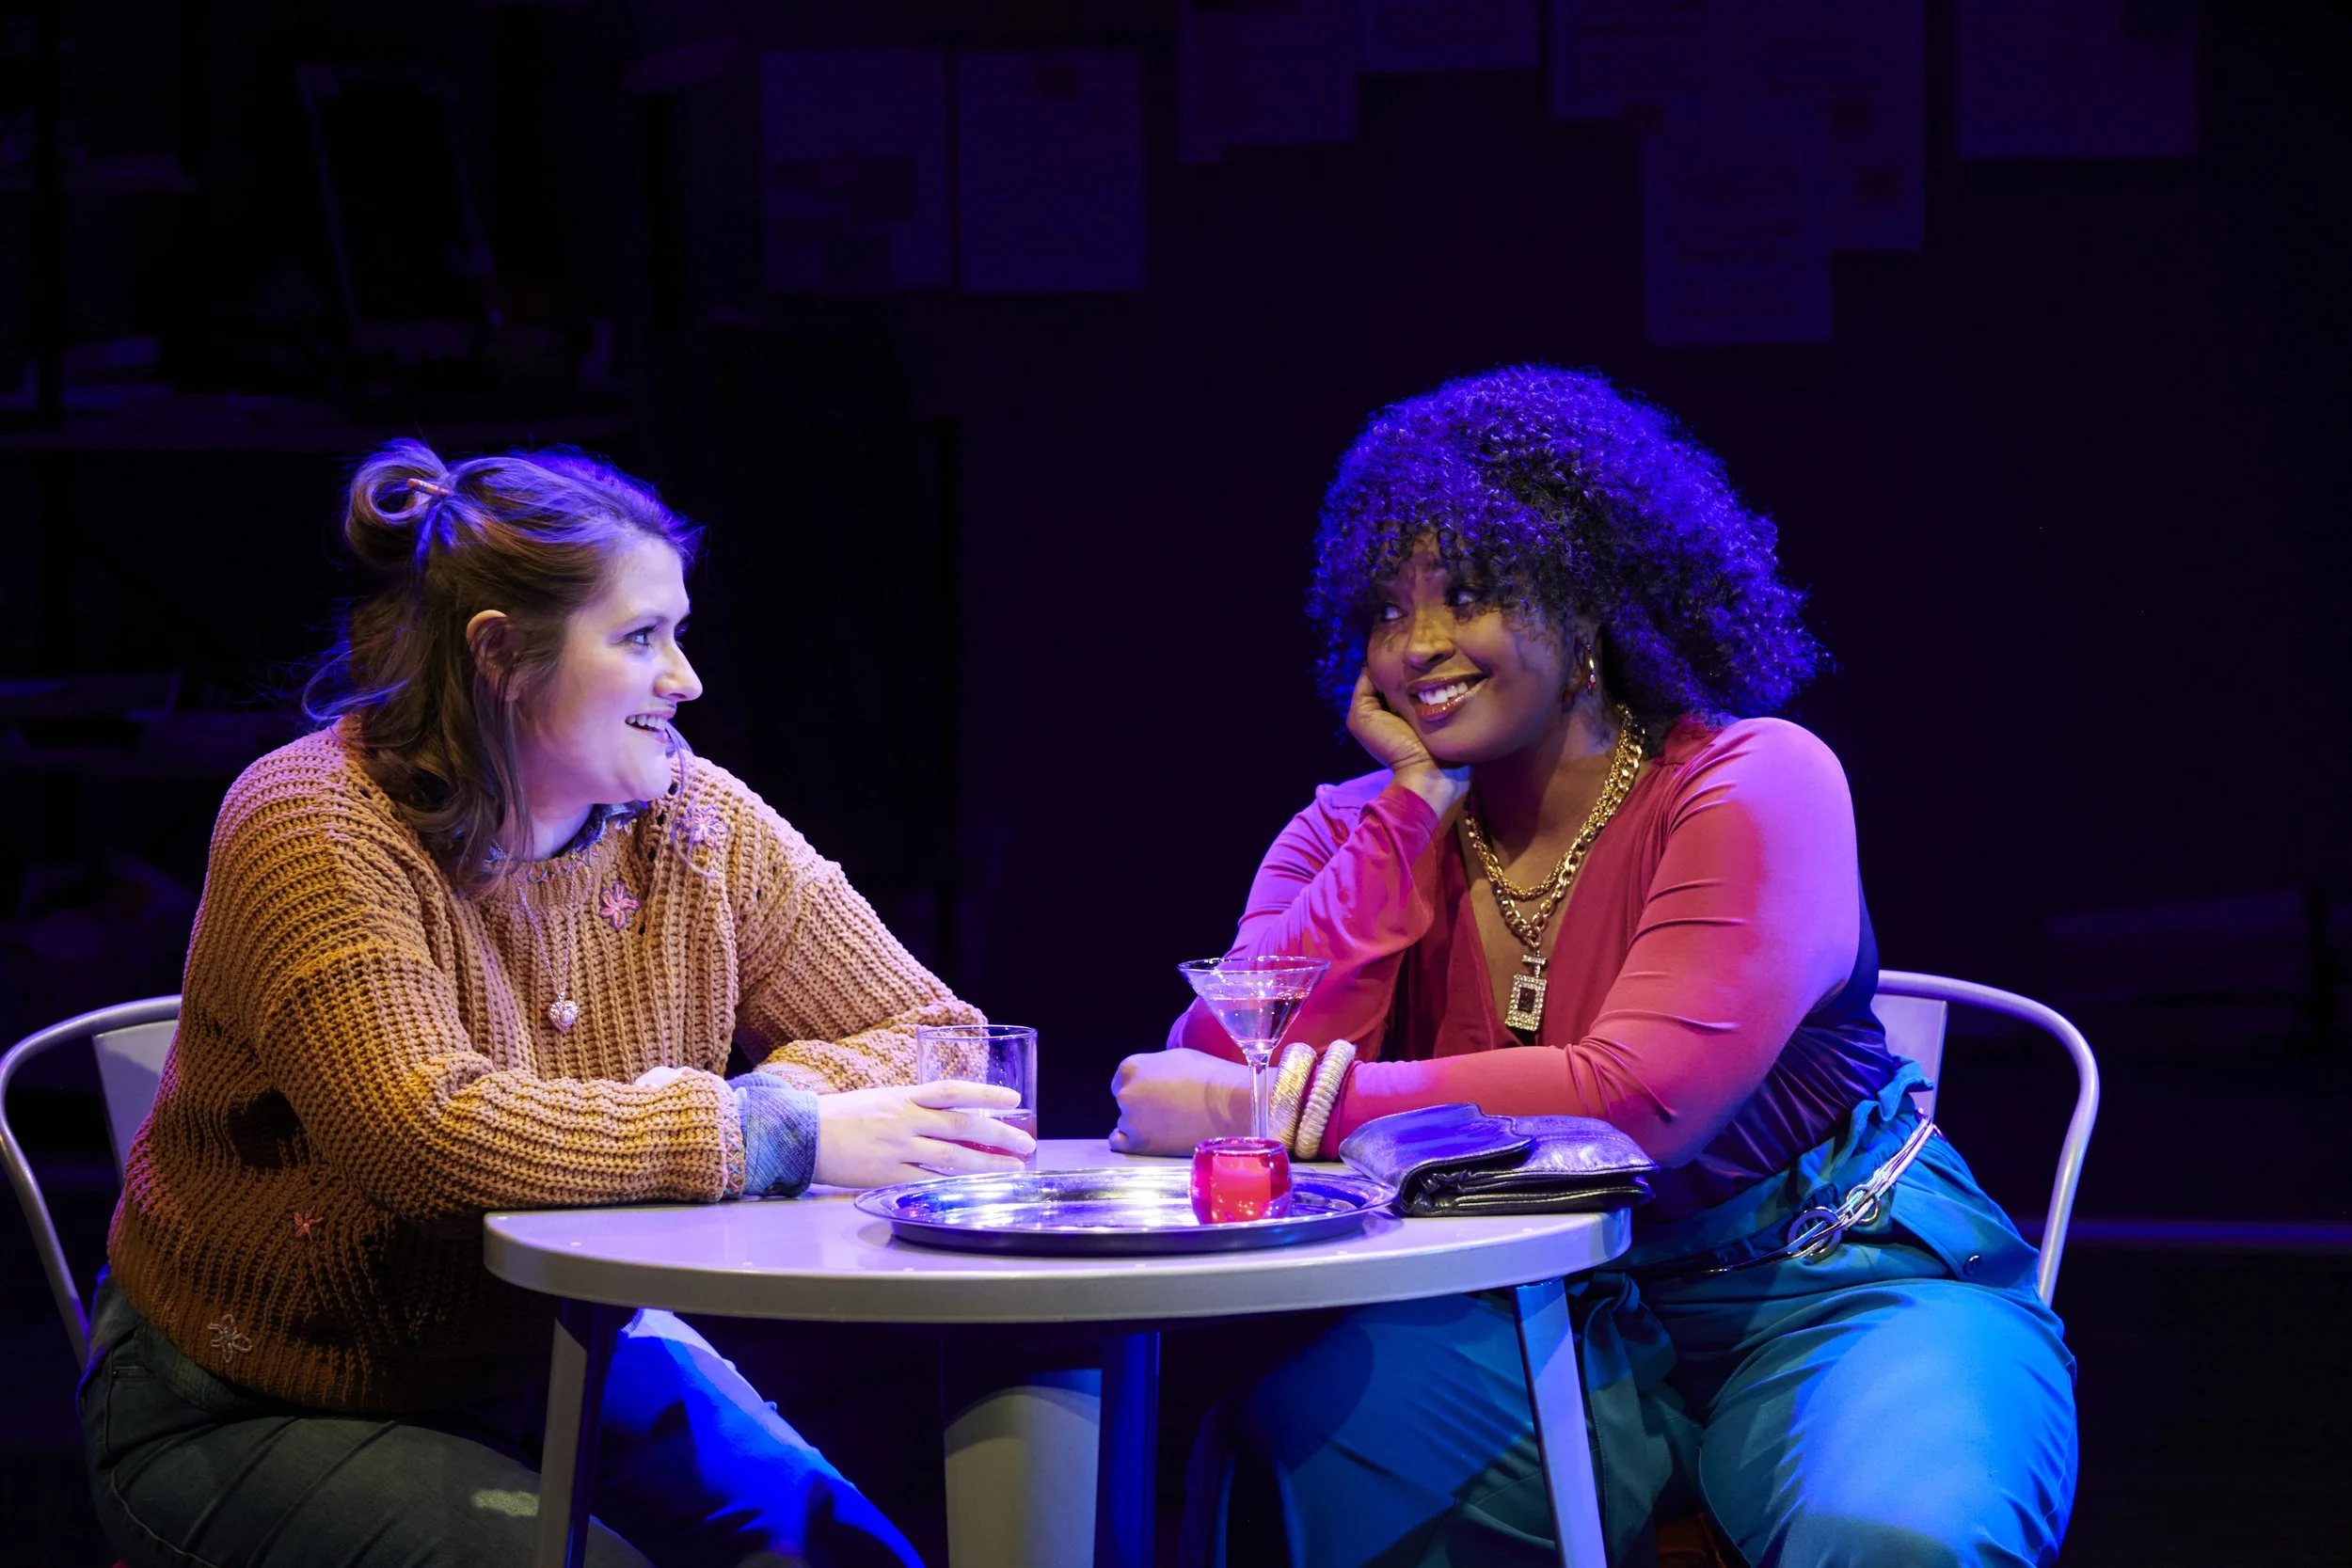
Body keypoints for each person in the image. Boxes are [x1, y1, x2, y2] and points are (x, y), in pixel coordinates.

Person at [1112, 369, 2076, 1567]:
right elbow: (1216, 1069)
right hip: (1533, 1307)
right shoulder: (1347, 834)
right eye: (1384, 608)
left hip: (1839, 1282)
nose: (1416, 648)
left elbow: (1632, 1104)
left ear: (1585, 613)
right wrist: (1411, 811)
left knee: (1893, 1535)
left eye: (1465, 595)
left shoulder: (1752, 779)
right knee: (1284, 1456)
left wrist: (1277, 1109)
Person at [81, 440, 1031, 1567]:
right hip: (260, 1398)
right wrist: (776, 1128)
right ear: (501, 658)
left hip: (561, 1353)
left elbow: (935, 1033)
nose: (685, 679)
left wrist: (782, 1093)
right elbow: (429, 1138)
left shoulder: (691, 817)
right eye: (639, 639)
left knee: (844, 1559)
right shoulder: (316, 824)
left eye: (676, 632)